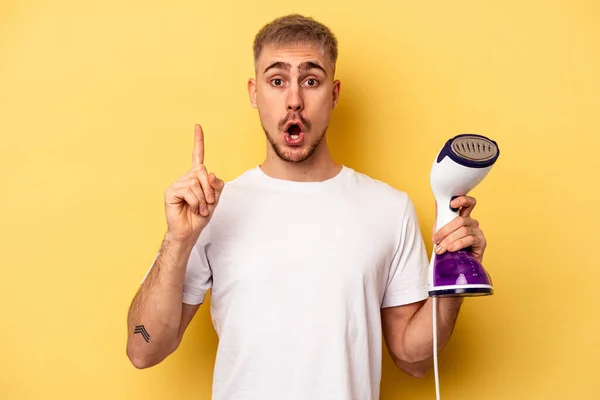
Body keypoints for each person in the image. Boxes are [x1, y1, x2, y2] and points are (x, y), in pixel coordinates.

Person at [126, 14, 489, 400]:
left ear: (333, 94)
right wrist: (178, 240)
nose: (294, 100)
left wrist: (452, 278)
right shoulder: (211, 209)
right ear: (254, 92)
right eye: (277, 81)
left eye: (311, 81)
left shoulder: (389, 208)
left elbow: (413, 359)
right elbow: (143, 349)